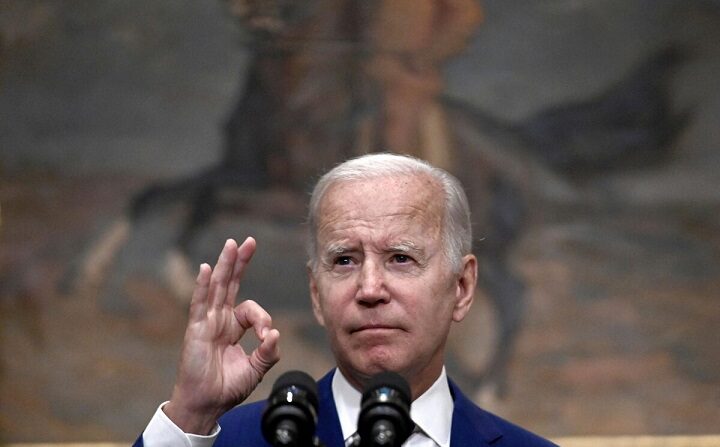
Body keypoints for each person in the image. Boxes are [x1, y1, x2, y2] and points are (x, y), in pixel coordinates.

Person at [133, 153, 556, 446]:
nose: (370, 289)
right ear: (317, 295)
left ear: (461, 288)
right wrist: (190, 415)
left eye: (401, 258)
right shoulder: (228, 442)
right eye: (345, 260)